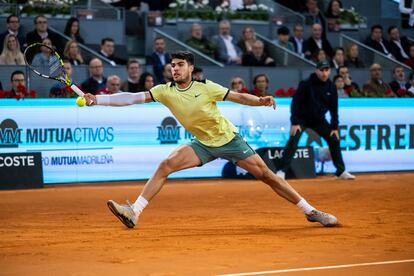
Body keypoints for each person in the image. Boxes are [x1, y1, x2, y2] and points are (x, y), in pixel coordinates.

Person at [83, 50, 339, 229]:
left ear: (191, 69)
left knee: (268, 176)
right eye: (173, 65)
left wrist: (260, 100)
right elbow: (131, 98)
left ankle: (310, 211)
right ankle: (134, 212)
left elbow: (238, 97)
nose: (175, 68)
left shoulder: (205, 87)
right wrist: (99, 99)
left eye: (180, 65)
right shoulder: (164, 91)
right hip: (202, 144)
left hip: (229, 140)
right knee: (165, 165)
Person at [276, 60, 355, 180]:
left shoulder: (331, 87)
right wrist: (295, 122)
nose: (324, 73)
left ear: (330, 71)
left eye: (326, 70)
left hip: (319, 120)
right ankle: (282, 171)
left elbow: (334, 108)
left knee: (334, 138)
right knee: (294, 139)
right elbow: (295, 103)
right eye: (321, 70)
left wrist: (334, 127)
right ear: (316, 70)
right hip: (302, 119)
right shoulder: (306, 84)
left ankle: (341, 171)